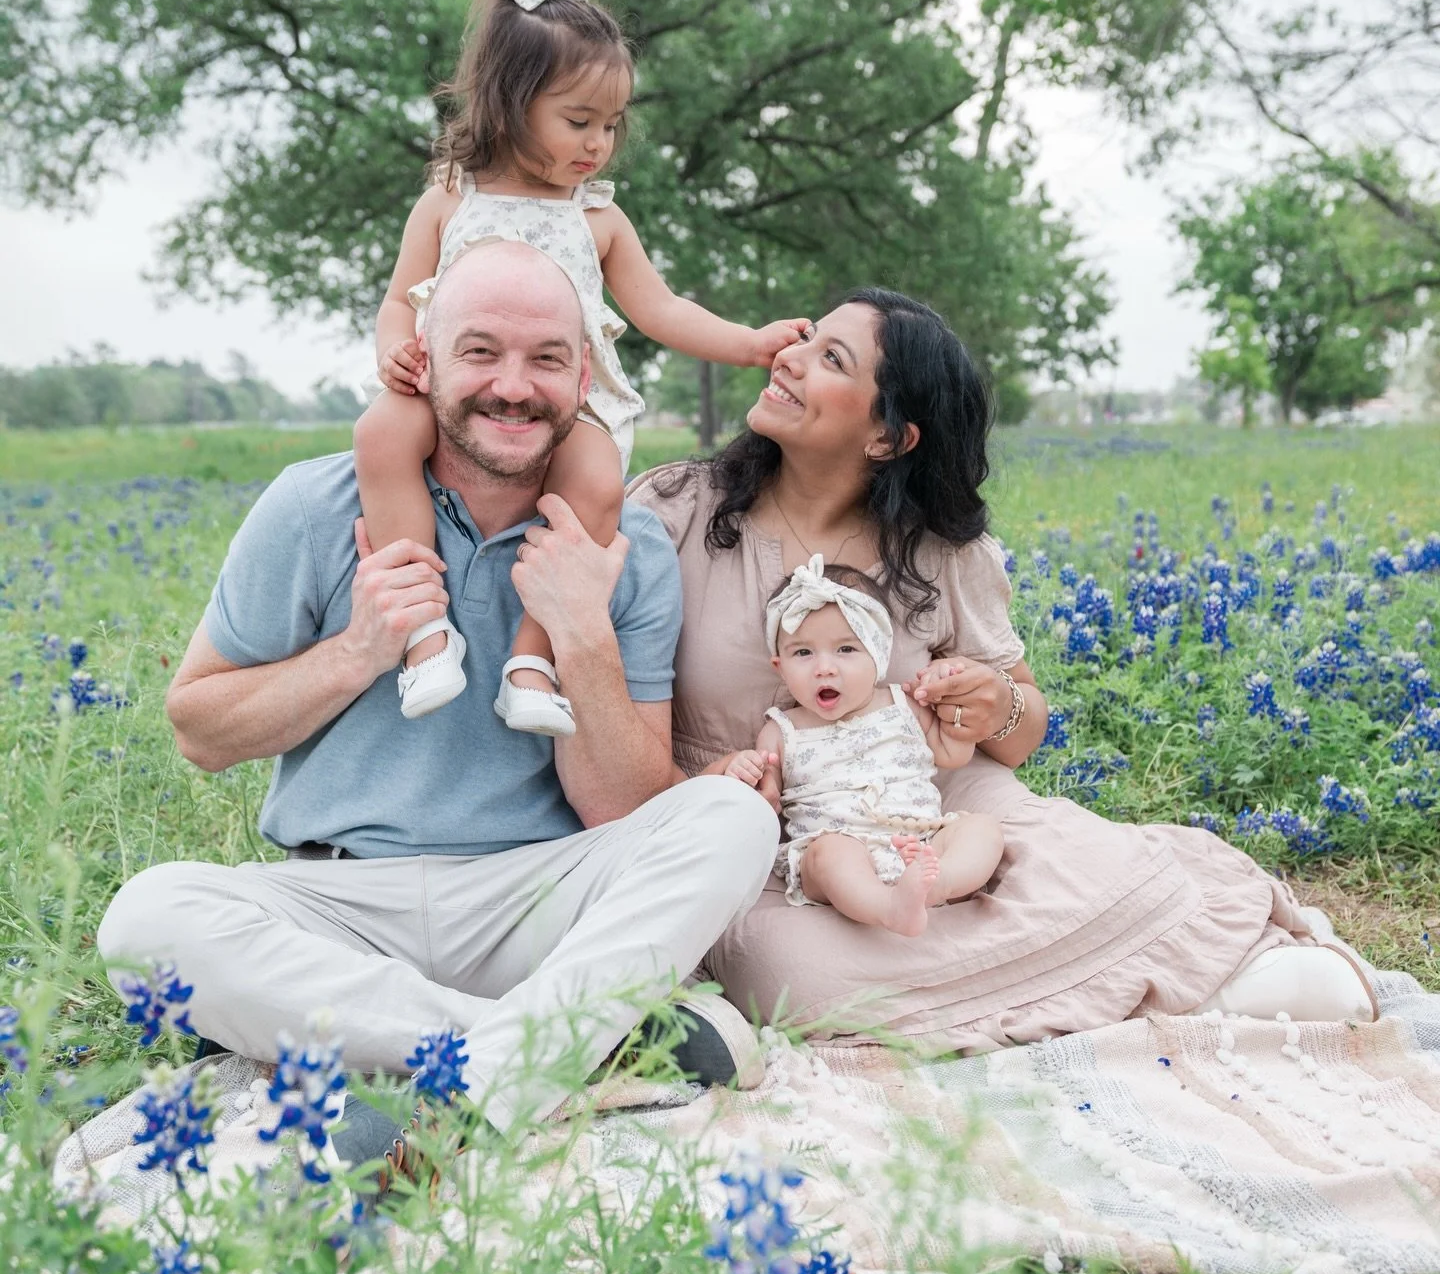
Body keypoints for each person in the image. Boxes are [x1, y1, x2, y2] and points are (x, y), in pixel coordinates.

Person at [96, 242, 780, 1135]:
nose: (514, 386)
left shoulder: (626, 549)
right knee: (145, 924)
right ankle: (549, 1047)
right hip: (341, 905)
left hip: (533, 901)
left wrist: (580, 632)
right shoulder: (313, 506)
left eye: (546, 359)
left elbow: (623, 806)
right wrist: (358, 650)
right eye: (481, 351)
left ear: (583, 376)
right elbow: (200, 730)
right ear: (425, 359)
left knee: (729, 818)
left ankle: (421, 1050)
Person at [630, 288, 1379, 1046]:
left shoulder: (942, 552)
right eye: (809, 338)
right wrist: (702, 789)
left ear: (888, 436)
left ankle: (1211, 949)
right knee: (791, 974)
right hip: (771, 837)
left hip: (933, 799)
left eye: (830, 358)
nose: (786, 355)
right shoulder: (679, 511)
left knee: (1095, 865)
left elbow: (1018, 732)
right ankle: (1143, 972)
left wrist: (996, 704)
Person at [354, 0, 808, 732]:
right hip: (451, 394)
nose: (598, 143)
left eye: (611, 125)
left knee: (597, 479)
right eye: (578, 121)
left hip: (566, 408)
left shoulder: (597, 218)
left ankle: (533, 658)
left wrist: (746, 343)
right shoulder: (449, 201)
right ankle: (423, 629)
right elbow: (401, 297)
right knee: (379, 432)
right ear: (511, 104)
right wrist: (395, 348)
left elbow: (661, 308)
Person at [722, 558, 1004, 936]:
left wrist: (947, 693)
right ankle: (889, 907)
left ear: (879, 653)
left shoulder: (906, 704)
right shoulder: (781, 729)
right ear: (780, 666)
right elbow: (766, 797)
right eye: (803, 653)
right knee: (829, 855)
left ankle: (940, 882)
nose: (824, 668)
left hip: (918, 837)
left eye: (846, 650)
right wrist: (747, 770)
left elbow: (955, 754)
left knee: (982, 830)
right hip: (837, 847)